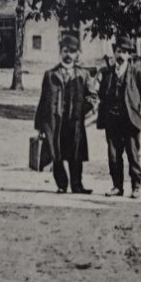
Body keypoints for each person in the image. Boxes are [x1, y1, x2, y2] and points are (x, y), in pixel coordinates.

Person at [34, 35, 95, 194]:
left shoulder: (83, 75)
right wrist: (40, 124)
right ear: (60, 52)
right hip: (55, 121)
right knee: (56, 152)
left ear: (77, 54)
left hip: (74, 121)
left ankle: (77, 185)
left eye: (72, 52)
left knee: (76, 153)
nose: (68, 55)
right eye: (65, 51)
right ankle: (61, 184)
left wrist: (82, 110)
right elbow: (43, 100)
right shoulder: (50, 75)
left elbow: (93, 97)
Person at [96, 37, 141, 199]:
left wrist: (137, 110)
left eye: (125, 52)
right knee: (114, 155)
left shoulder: (137, 73)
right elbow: (101, 94)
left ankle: (136, 187)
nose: (121, 55)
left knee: (132, 154)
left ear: (130, 56)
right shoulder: (107, 73)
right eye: (118, 51)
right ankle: (117, 186)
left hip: (130, 121)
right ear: (114, 53)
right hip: (112, 121)